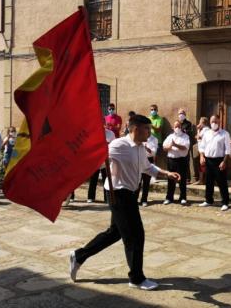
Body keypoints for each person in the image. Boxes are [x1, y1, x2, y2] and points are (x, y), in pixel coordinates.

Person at [69, 114, 180, 290]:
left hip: (130, 194)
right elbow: (96, 159)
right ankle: (136, 278)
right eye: (147, 129)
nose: (150, 133)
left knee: (115, 232)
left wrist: (166, 173)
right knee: (135, 236)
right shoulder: (118, 145)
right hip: (117, 194)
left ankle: (79, 255)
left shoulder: (139, 148)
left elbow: (147, 167)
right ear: (136, 129)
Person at [73, 126, 116, 204]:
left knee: (106, 179)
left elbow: (114, 145)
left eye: (103, 122)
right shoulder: (93, 132)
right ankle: (91, 197)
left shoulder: (110, 133)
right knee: (93, 179)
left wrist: (107, 145)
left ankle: (107, 198)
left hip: (106, 159)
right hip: (96, 160)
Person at [198, 115, 231, 211]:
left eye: (216, 121)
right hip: (208, 160)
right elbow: (202, 146)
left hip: (219, 160)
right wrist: (201, 156)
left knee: (222, 182)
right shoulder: (207, 133)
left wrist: (224, 161)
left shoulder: (225, 134)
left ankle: (225, 202)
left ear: (219, 122)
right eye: (212, 121)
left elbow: (227, 150)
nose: (214, 123)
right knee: (208, 181)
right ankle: (208, 200)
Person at [163, 120, 190, 205]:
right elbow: (164, 147)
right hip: (171, 160)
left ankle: (183, 197)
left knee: (182, 180)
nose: (177, 128)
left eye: (178, 126)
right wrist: (169, 146)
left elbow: (186, 148)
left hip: (181, 160)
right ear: (173, 128)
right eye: (175, 126)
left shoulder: (185, 136)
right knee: (171, 179)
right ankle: (169, 198)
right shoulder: (170, 136)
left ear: (181, 127)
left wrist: (175, 145)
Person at [137, 132, 158, 207]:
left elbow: (153, 153)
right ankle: (135, 199)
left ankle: (144, 199)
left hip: (149, 160)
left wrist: (147, 148)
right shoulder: (139, 137)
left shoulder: (154, 139)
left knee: (146, 181)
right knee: (137, 181)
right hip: (139, 159)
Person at [178, 108, 195, 183]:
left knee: (186, 161)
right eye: (179, 113)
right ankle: (179, 177)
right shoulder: (177, 123)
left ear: (185, 115)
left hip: (185, 144)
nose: (180, 115)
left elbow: (189, 132)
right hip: (178, 144)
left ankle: (187, 178)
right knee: (179, 161)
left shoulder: (188, 123)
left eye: (182, 113)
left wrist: (183, 131)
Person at [192, 117, 210, 184]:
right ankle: (201, 179)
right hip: (200, 149)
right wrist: (198, 132)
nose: (199, 123)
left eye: (200, 122)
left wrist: (198, 132)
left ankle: (202, 180)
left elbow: (198, 137)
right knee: (201, 165)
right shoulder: (202, 130)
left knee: (203, 165)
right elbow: (197, 137)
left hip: (204, 150)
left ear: (203, 123)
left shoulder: (206, 130)